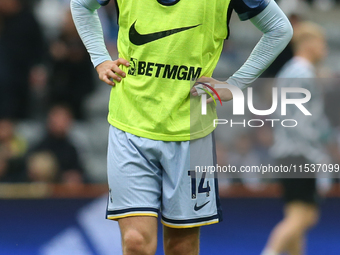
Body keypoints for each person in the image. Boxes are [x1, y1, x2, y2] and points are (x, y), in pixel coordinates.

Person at [70, 0, 292, 254]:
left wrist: (236, 83)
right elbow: (81, 4)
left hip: (192, 134)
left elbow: (279, 28)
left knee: (181, 247)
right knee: (135, 241)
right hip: (130, 126)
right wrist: (100, 58)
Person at [262, 21, 331, 255]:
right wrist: (317, 149)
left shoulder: (292, 71)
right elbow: (299, 121)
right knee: (306, 216)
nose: (325, 49)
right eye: (322, 43)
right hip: (299, 152)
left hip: (288, 151)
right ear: (309, 44)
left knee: (296, 215)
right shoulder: (302, 73)